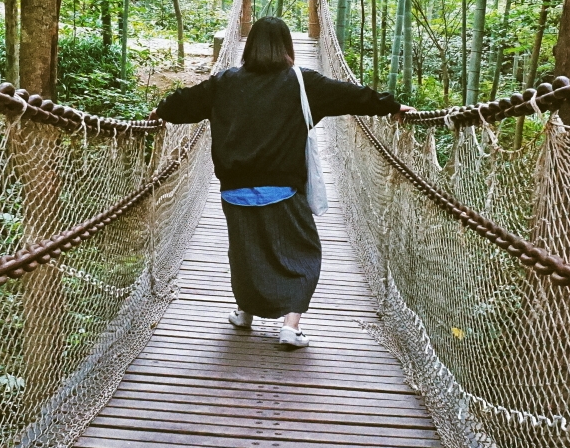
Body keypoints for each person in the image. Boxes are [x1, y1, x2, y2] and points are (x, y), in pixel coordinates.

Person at [149, 17, 411, 348]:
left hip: (234, 190)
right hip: (283, 190)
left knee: (245, 253)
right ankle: (291, 326)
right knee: (303, 254)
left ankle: (245, 313)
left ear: (249, 46)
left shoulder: (225, 81)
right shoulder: (303, 82)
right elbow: (351, 96)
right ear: (288, 47)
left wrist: (160, 111)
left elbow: (185, 102)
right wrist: (391, 105)